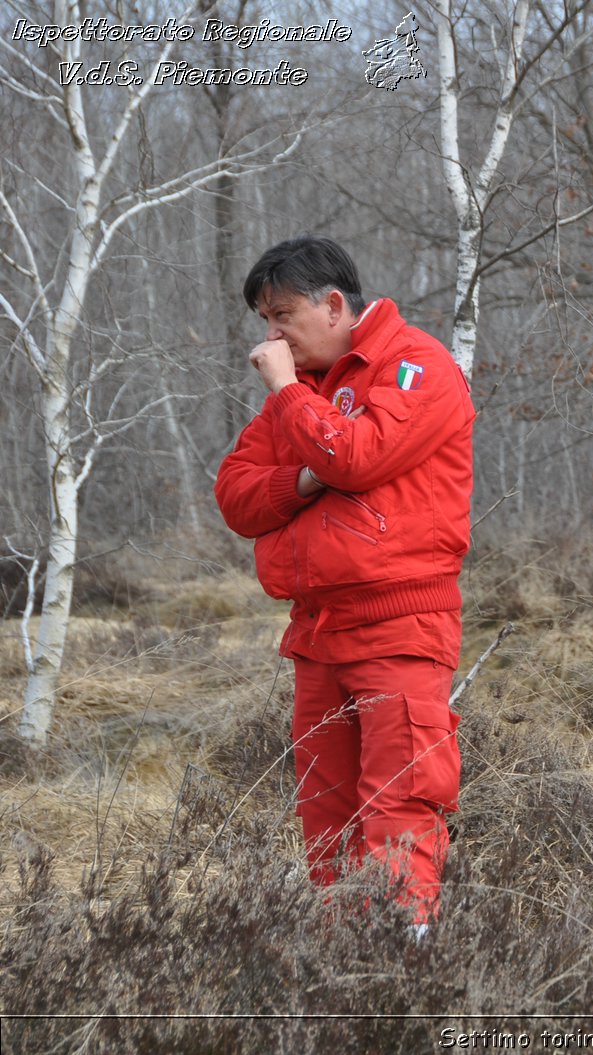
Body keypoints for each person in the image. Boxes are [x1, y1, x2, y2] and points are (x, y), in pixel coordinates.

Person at [215, 236, 475, 933]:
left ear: (334, 305)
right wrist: (302, 476)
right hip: (317, 633)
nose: (270, 339)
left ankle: (401, 971)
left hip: (400, 626)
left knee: (400, 800)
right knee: (326, 814)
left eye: (282, 317)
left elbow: (355, 456)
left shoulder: (416, 365)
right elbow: (236, 495)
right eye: (264, 322)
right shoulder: (308, 391)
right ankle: (341, 968)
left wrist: (289, 396)